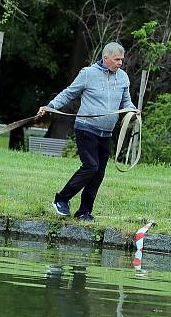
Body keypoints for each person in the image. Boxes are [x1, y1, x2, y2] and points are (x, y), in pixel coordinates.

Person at [37, 42, 137, 220]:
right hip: (86, 128)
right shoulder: (88, 74)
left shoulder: (123, 78)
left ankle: (84, 212)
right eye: (117, 59)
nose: (120, 63)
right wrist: (50, 106)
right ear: (106, 58)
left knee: (98, 173)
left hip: (106, 133)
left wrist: (133, 110)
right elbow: (69, 93)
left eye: (122, 59)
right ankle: (61, 199)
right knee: (90, 167)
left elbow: (126, 102)